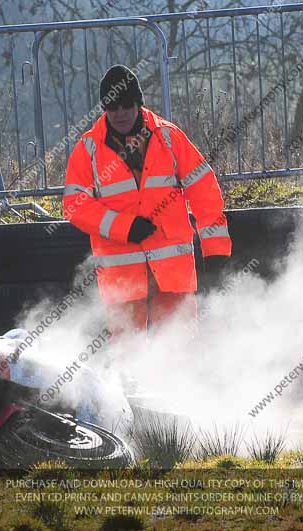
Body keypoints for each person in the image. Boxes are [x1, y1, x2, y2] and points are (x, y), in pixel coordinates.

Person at [63, 64, 232, 338]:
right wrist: (124, 227)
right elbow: (74, 205)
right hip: (122, 277)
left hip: (171, 272)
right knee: (128, 357)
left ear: (138, 104)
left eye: (126, 105)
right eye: (112, 107)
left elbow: (205, 191)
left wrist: (215, 247)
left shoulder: (169, 136)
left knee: (179, 346)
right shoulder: (88, 149)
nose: (119, 113)